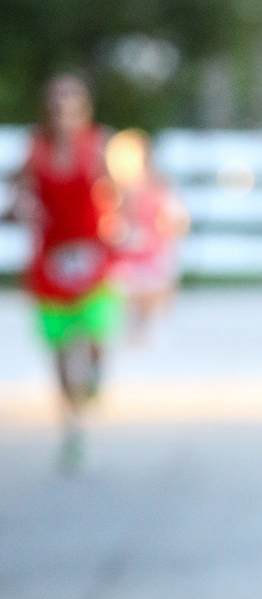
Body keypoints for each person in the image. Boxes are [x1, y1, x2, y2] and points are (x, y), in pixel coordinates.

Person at [11, 74, 122, 471]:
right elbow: (19, 193)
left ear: (83, 108)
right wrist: (24, 206)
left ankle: (95, 371)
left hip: (91, 257)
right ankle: (72, 427)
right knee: (58, 351)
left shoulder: (99, 145)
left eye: (71, 103)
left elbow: (117, 191)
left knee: (95, 333)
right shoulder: (34, 150)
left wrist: (117, 214)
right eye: (57, 104)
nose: (63, 112)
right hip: (51, 260)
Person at [106, 128, 189, 339]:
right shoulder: (109, 191)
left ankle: (149, 319)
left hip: (152, 257)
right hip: (121, 260)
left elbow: (176, 221)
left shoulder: (158, 189)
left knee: (160, 270)